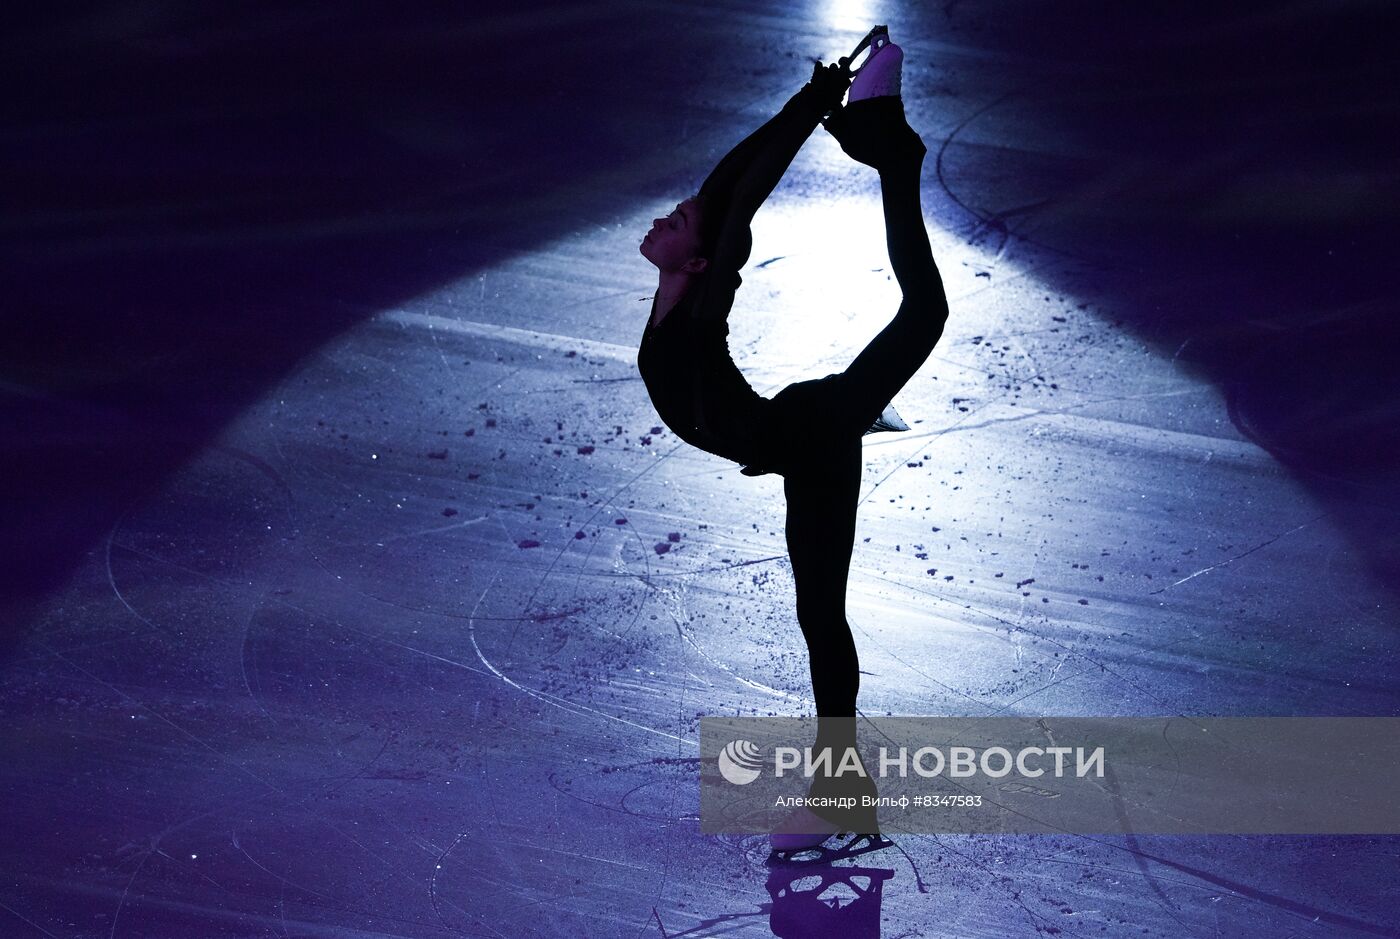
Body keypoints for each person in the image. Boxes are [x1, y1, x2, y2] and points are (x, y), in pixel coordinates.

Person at [636, 28, 949, 851]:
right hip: (798, 427)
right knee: (821, 614)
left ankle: (899, 160)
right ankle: (893, 152)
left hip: (807, 435)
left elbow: (736, 203)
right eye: (676, 215)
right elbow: (725, 185)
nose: (670, 214)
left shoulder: (698, 311)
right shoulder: (683, 291)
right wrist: (807, 101)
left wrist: (814, 107)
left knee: (822, 614)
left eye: (678, 222)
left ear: (700, 265)